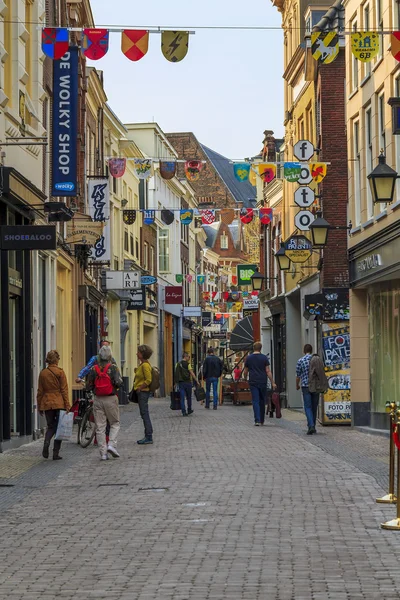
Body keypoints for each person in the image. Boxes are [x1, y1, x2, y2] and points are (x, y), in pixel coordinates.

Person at [86, 345, 123, 460]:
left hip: (98, 399)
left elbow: (88, 386)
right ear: (110, 355)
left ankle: (103, 453)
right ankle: (111, 445)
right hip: (111, 398)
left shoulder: (94, 369)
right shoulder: (113, 368)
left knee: (100, 426)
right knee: (114, 423)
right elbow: (119, 382)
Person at [37, 350, 71, 460]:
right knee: (59, 428)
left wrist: (39, 406)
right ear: (56, 360)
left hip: (47, 403)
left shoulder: (43, 373)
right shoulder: (60, 372)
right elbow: (64, 390)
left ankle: (46, 441)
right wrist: (67, 405)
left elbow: (40, 391)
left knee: (50, 426)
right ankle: (55, 453)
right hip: (59, 402)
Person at [243, 342, 277, 426]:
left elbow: (246, 371)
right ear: (260, 348)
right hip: (262, 381)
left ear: (253, 348)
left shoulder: (249, 358)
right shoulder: (264, 358)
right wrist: (272, 382)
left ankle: (257, 420)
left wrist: (245, 378)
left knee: (255, 400)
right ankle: (262, 419)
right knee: (262, 400)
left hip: (253, 381)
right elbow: (268, 371)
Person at [296, 344, 321, 435]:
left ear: (304, 350)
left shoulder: (301, 360)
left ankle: (310, 426)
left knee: (308, 406)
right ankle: (313, 425)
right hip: (315, 386)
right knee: (314, 406)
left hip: (305, 386)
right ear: (311, 350)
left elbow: (298, 375)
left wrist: (297, 385)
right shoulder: (317, 360)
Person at [133, 345, 154, 445]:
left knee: (144, 413)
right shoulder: (143, 365)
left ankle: (149, 436)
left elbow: (148, 379)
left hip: (143, 392)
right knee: (143, 413)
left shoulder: (145, 365)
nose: (137, 353)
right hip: (142, 392)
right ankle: (148, 435)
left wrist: (140, 388)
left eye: (138, 352)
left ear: (142, 354)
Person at [175, 352, 199, 416]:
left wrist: (175, 383)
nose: (189, 358)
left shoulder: (177, 364)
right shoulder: (188, 364)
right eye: (188, 357)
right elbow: (192, 373)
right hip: (188, 382)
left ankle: (183, 412)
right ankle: (189, 409)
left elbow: (176, 374)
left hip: (181, 383)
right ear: (185, 357)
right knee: (189, 397)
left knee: (182, 398)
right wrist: (196, 380)